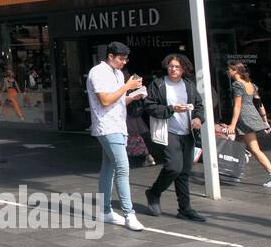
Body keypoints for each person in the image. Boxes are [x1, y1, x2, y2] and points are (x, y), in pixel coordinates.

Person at [86, 41, 146, 232]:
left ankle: (106, 211)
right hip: (107, 126)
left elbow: (116, 100)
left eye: (126, 59)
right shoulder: (97, 72)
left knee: (109, 168)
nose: (123, 62)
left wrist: (132, 95)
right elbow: (105, 100)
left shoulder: (118, 74)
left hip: (118, 125)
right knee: (122, 168)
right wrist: (127, 86)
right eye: (121, 58)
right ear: (110, 56)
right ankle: (129, 214)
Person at [142, 54, 207, 222]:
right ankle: (154, 192)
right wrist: (171, 109)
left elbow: (199, 106)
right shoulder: (159, 84)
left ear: (183, 69)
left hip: (187, 133)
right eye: (171, 66)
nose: (173, 69)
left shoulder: (189, 86)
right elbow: (149, 106)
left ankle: (185, 209)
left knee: (184, 172)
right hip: (168, 131)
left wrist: (199, 118)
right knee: (173, 167)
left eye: (177, 67)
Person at [225, 61, 271, 188]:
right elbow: (259, 104)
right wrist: (265, 121)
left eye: (229, 69)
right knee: (238, 145)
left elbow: (238, 105)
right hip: (252, 116)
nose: (227, 72)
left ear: (235, 70)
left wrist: (232, 125)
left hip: (244, 119)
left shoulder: (237, 85)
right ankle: (235, 171)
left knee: (255, 149)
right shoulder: (252, 85)